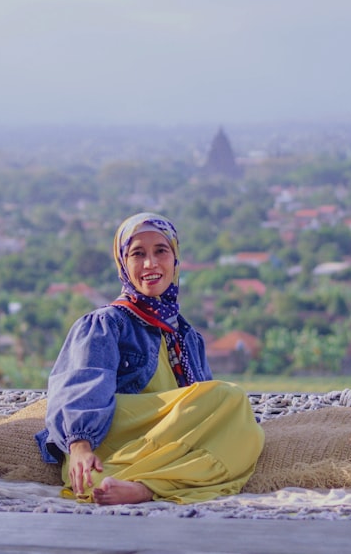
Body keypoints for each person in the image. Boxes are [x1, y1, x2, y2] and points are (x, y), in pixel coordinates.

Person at [35, 212, 264, 505]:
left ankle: (147, 487)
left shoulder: (187, 335)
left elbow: (205, 410)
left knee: (249, 435)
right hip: (117, 437)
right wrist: (79, 445)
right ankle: (159, 479)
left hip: (169, 439)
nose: (150, 264)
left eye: (161, 251)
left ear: (175, 258)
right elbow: (80, 383)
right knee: (231, 397)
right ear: (123, 262)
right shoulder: (106, 323)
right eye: (137, 254)